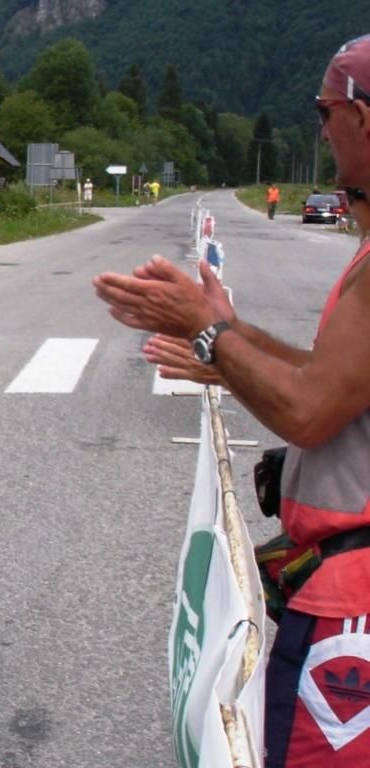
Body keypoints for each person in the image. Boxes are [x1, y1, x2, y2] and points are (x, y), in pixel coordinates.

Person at [93, 34, 370, 767]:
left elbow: (309, 412)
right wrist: (231, 342)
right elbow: (331, 379)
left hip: (353, 606)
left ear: (361, 118)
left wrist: (208, 332)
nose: (320, 130)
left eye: (322, 111)